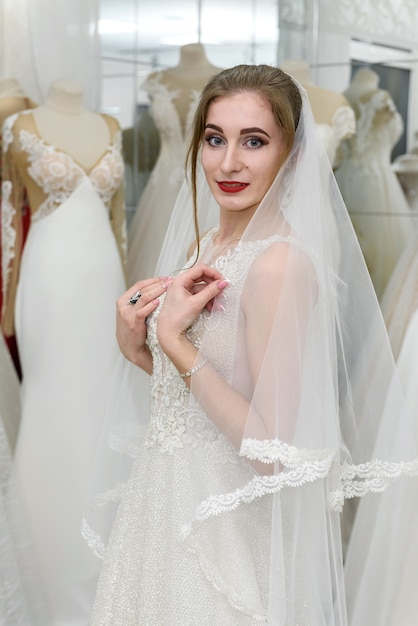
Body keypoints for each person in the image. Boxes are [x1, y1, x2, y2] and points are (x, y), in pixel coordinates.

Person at [83, 64, 418, 625]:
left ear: (293, 152)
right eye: (215, 139)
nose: (228, 162)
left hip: (222, 534)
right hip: (165, 506)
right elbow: (210, 397)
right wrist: (141, 350)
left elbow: (271, 451)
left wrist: (173, 340)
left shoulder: (278, 265)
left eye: (254, 142)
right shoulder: (207, 242)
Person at [1, 79, 127, 624]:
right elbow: (10, 221)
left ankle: (108, 538)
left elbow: (119, 219)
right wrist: (7, 301)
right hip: (49, 280)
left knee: (102, 402)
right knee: (52, 403)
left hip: (104, 277)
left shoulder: (112, 127)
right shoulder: (19, 129)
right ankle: (46, 546)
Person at [127, 42, 223, 284]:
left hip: (206, 183)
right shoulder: (156, 80)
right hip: (162, 187)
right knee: (153, 258)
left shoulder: (223, 79)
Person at [335, 67, 414, 300]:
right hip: (374, 179)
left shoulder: (343, 97)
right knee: (381, 251)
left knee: (355, 249)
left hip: (344, 178)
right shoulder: (380, 98)